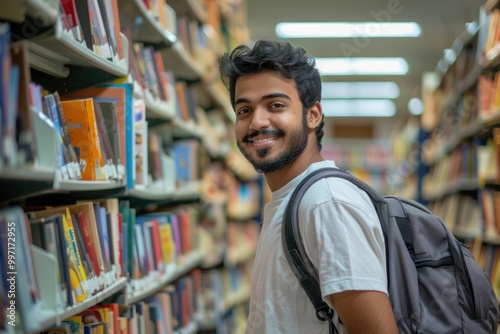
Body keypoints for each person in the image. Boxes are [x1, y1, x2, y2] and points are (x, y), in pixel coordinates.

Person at [219, 39, 398, 334]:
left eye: (275, 105)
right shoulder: (292, 200)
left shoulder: (327, 204)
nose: (257, 122)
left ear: (313, 115)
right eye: (244, 110)